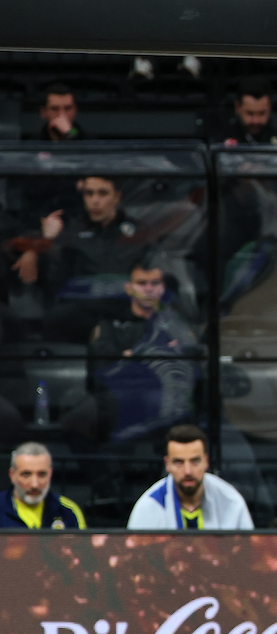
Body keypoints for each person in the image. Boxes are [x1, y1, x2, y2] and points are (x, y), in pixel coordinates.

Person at [61, 259, 200, 444]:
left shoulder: (177, 325)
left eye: (155, 283)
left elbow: (190, 365)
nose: (148, 289)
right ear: (129, 288)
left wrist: (133, 357)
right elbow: (100, 365)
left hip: (164, 397)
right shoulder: (110, 322)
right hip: (117, 397)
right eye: (142, 283)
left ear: (163, 288)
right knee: (79, 416)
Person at [42, 176, 151, 343]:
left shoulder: (139, 232)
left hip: (127, 311)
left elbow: (154, 276)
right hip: (83, 311)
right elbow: (55, 281)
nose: (95, 201)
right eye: (89, 194)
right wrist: (50, 242)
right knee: (56, 318)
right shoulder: (71, 232)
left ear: (117, 197)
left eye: (103, 193)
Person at [127, 424, 254, 529]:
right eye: (178, 462)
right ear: (167, 464)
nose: (187, 471)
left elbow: (249, 555)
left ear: (206, 461)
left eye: (195, 461)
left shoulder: (230, 501)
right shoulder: (148, 507)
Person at [0, 442, 85, 529]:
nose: (35, 484)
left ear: (50, 474)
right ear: (12, 475)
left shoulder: (67, 511)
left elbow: (83, 542)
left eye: (42, 474)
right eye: (26, 474)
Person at [217, 77, 277, 146]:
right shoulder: (221, 143)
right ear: (237, 107)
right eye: (250, 113)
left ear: (270, 108)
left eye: (262, 113)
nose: (255, 121)